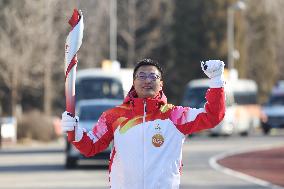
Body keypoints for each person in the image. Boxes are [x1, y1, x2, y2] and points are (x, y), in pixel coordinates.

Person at [61, 58, 226, 189]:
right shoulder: (114, 116)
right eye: (141, 76)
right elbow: (90, 147)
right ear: (133, 82)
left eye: (153, 76)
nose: (147, 80)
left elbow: (212, 116)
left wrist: (216, 82)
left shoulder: (175, 115)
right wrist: (75, 132)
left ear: (161, 84)